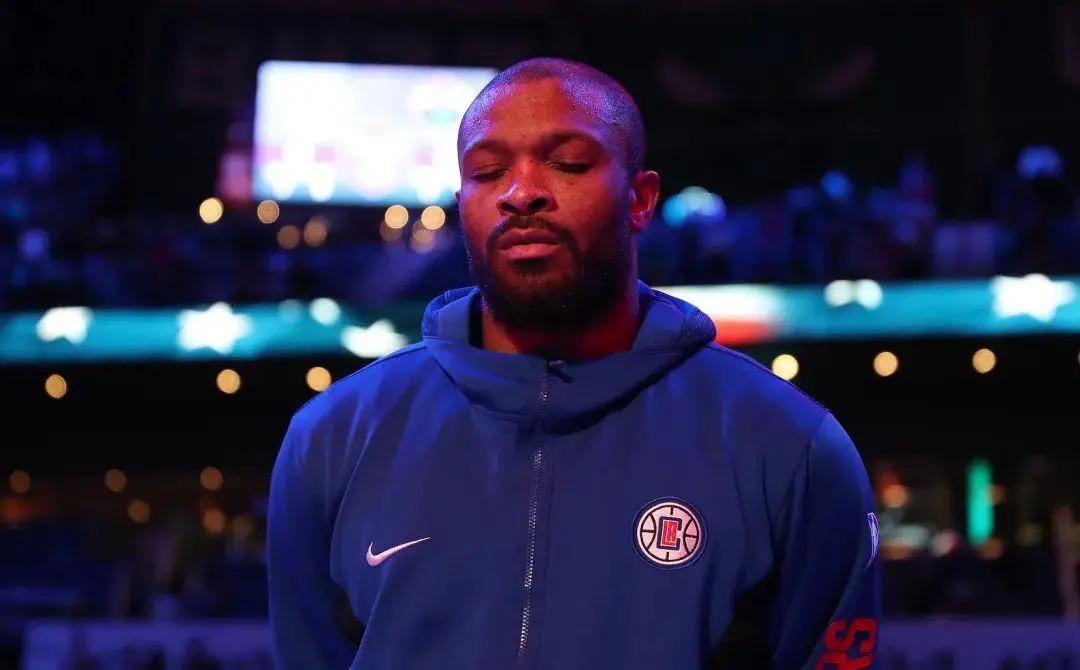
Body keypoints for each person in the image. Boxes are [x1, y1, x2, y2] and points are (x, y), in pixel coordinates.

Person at [267, 57, 880, 669]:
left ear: (640, 200)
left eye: (567, 163)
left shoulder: (788, 445)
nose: (520, 193)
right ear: (461, 203)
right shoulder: (332, 438)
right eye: (488, 172)